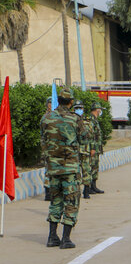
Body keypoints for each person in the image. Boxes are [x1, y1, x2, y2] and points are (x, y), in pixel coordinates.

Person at [40, 89, 83, 249]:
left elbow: (43, 139)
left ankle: (52, 237)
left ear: (58, 100)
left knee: (55, 201)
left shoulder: (46, 118)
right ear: (71, 102)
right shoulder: (74, 119)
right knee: (71, 201)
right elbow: (84, 138)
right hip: (70, 169)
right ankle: (66, 239)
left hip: (53, 168)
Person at [73, 101, 94, 199]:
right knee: (75, 172)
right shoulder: (71, 120)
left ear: (83, 109)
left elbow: (91, 136)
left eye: (80, 108)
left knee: (86, 170)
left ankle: (86, 191)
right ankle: (76, 191)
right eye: (77, 108)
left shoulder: (87, 121)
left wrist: (93, 148)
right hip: (74, 151)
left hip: (85, 150)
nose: (78, 110)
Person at [89, 103, 105, 194]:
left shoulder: (95, 120)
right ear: (97, 109)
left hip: (96, 148)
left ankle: (94, 186)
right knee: (92, 167)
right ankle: (90, 186)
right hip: (93, 148)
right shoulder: (91, 120)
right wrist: (92, 148)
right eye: (100, 109)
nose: (100, 111)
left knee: (95, 167)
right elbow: (91, 135)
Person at [41, 96, 53, 201]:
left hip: (55, 148)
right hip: (48, 148)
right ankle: (47, 193)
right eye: (50, 103)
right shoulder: (46, 117)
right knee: (48, 171)